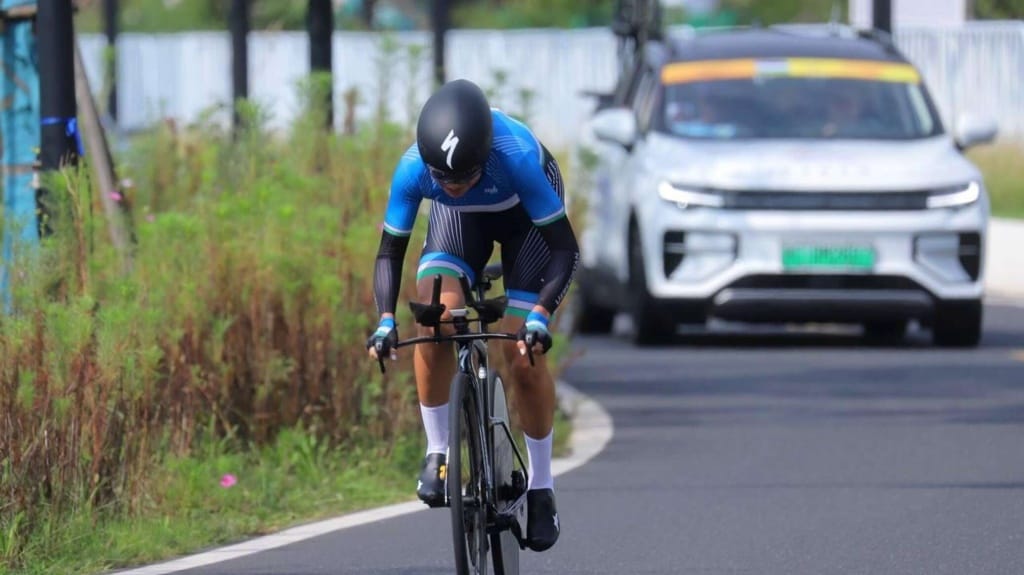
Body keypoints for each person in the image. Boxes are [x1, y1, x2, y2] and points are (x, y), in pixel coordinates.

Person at [366, 78, 579, 553]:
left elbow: (565, 248)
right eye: (444, 179)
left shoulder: (516, 159)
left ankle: (541, 487)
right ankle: (438, 450)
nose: (455, 187)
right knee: (434, 315)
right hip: (459, 227)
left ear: (484, 157)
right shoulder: (414, 169)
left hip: (527, 222)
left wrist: (541, 314)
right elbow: (388, 254)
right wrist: (384, 319)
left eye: (464, 178)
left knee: (523, 356)